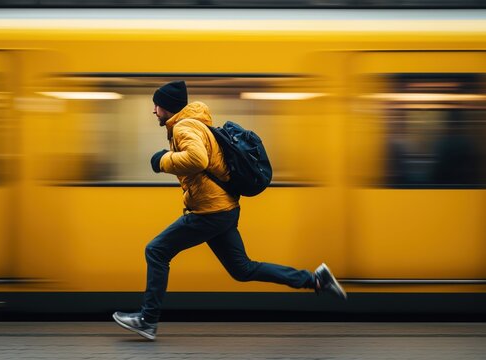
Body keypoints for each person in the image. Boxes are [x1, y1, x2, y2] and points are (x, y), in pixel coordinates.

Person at [113, 80, 347, 341]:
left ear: (166, 106)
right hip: (224, 210)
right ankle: (315, 280)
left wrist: (161, 161)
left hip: (209, 212)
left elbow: (197, 159)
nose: (154, 110)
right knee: (243, 269)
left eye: (156, 105)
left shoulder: (184, 126)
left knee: (156, 250)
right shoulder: (196, 124)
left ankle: (148, 320)